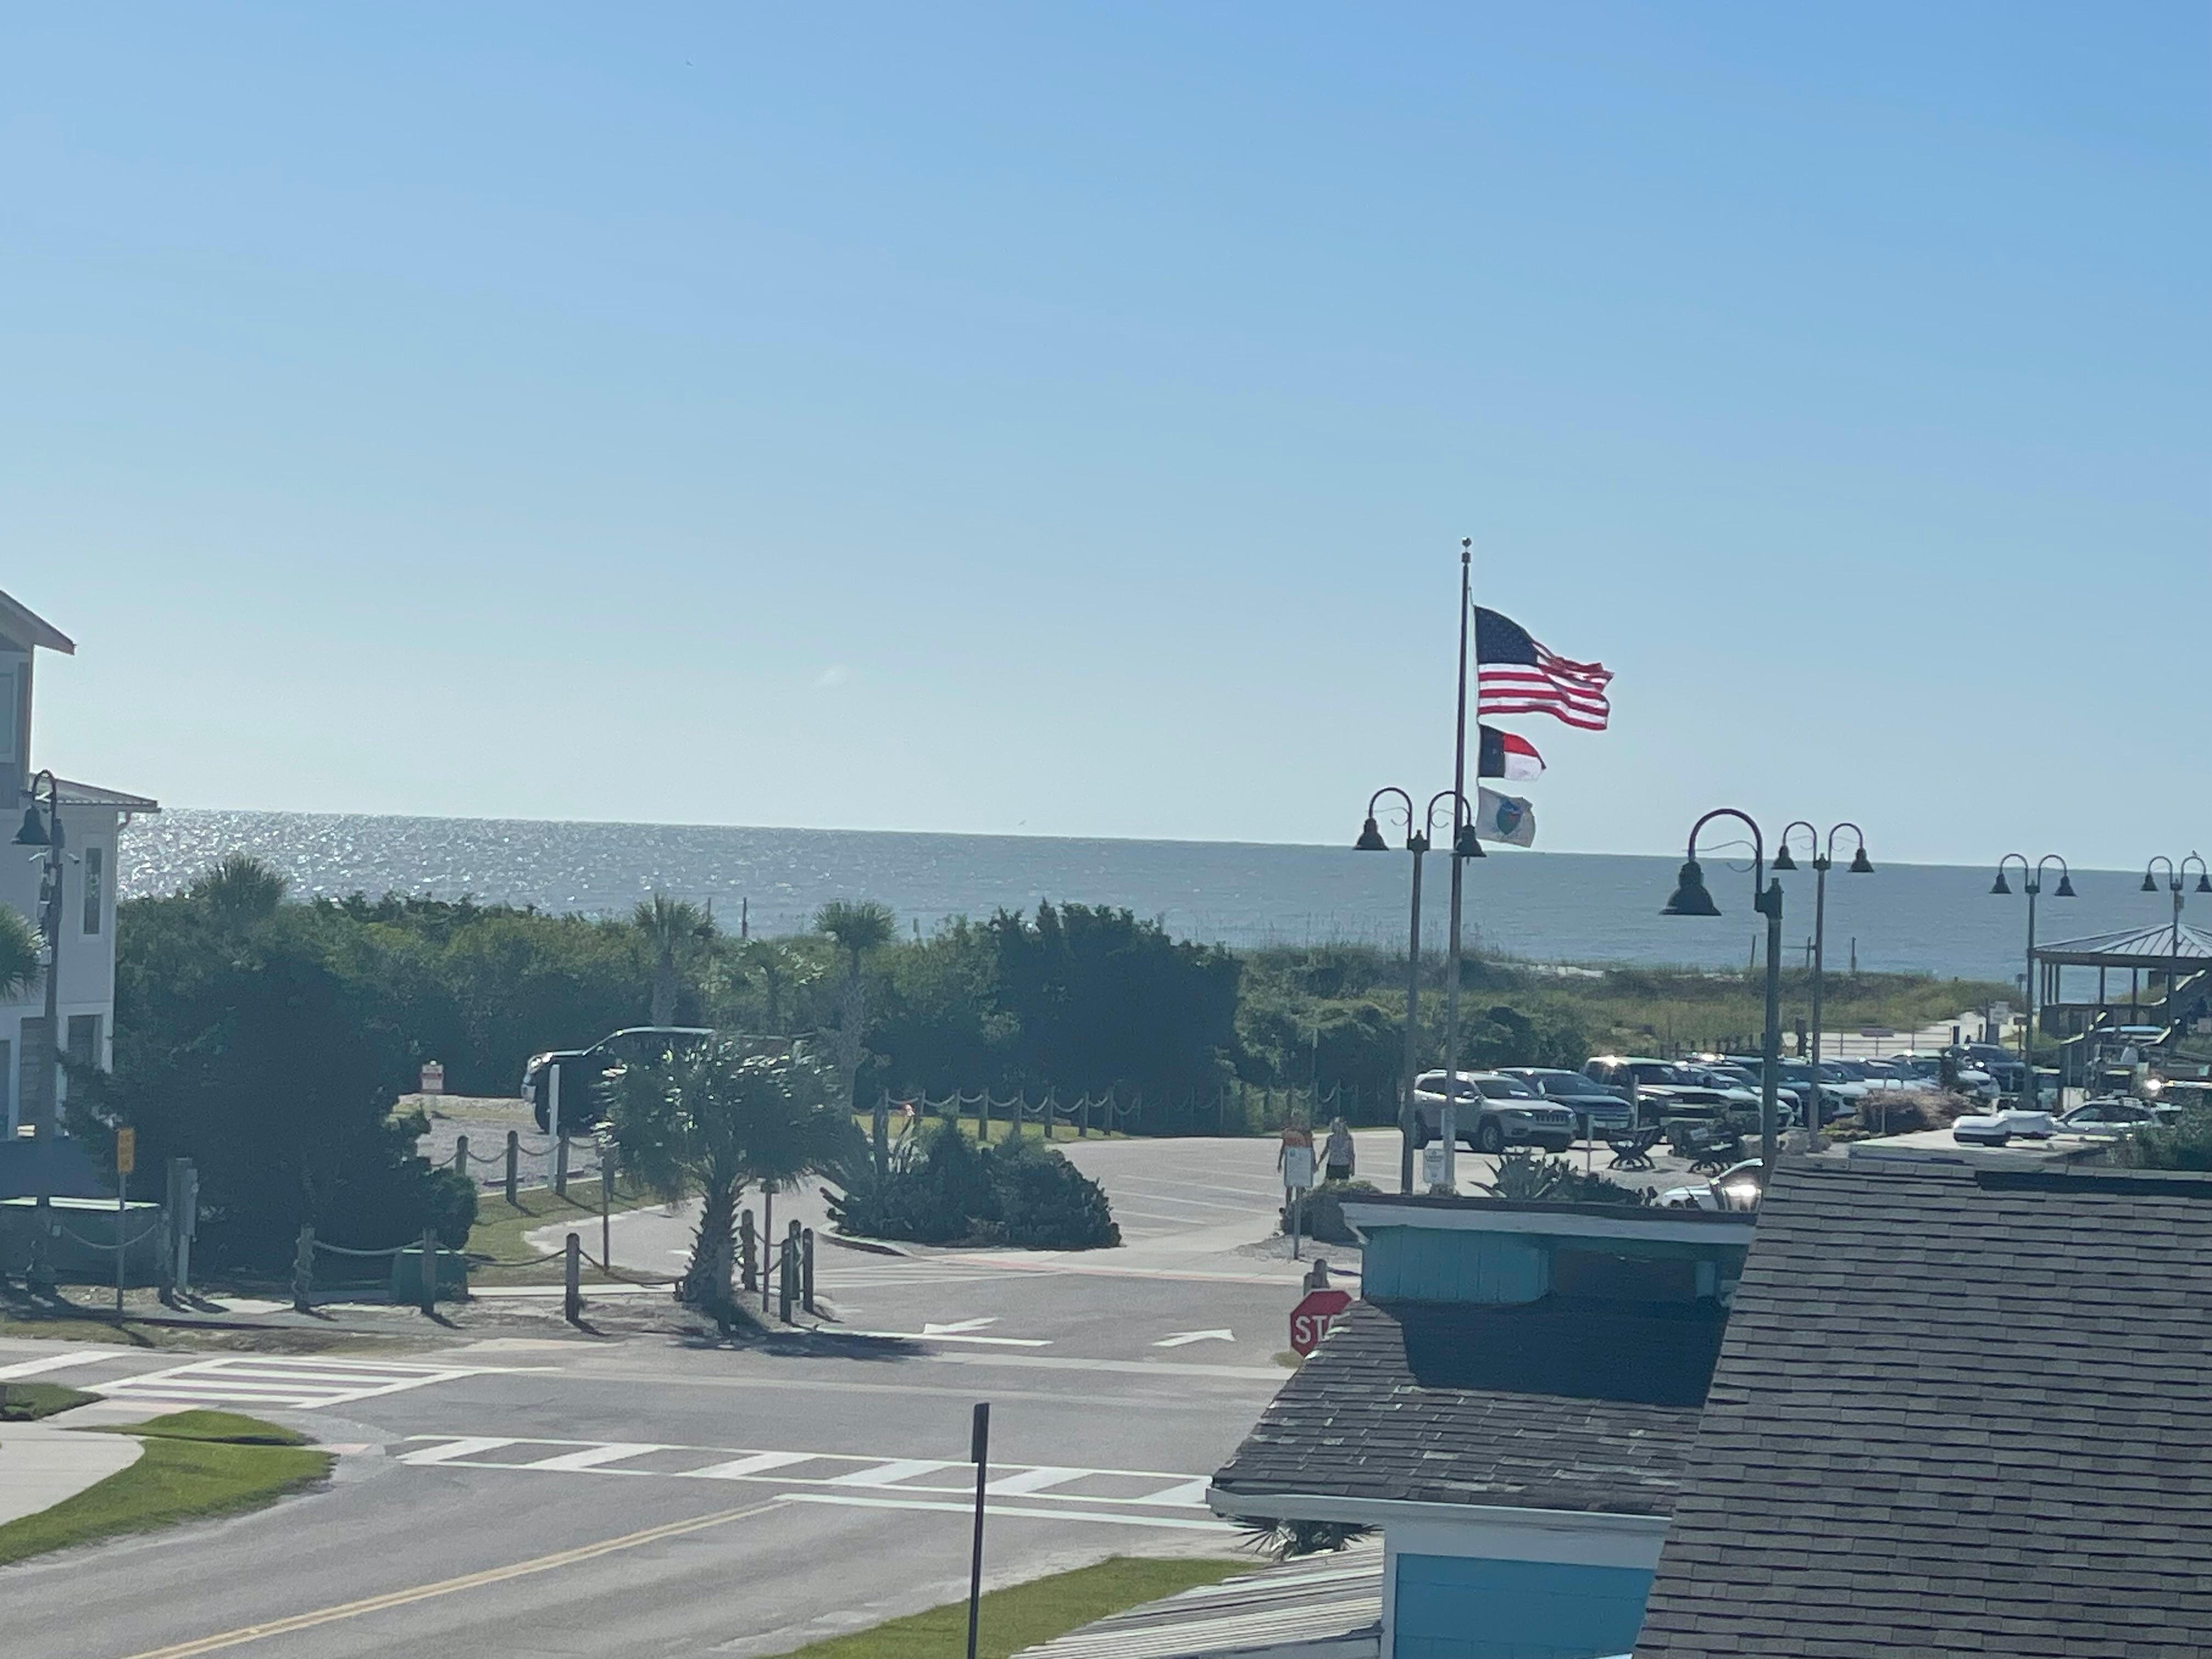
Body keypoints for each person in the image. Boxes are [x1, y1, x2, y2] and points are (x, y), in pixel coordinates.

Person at [1323, 1116, 1355, 1184]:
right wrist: (1319, 1162)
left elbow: (1351, 1153)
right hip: (1333, 1164)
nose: (1339, 1127)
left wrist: (1353, 1166)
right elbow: (1326, 1151)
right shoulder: (1330, 1139)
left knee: (1344, 1186)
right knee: (1330, 1185)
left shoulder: (1348, 1138)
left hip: (1344, 1164)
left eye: (1340, 1125)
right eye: (1337, 1125)